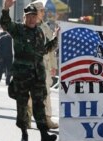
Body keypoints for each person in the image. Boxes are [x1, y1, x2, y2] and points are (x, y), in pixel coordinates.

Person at [0, 0, 60, 141]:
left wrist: (56, 38)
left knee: (39, 105)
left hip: (38, 76)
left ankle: (44, 134)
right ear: (25, 17)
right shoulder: (18, 29)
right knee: (22, 105)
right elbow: (5, 24)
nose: (32, 18)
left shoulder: (39, 32)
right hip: (22, 76)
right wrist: (5, 9)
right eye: (29, 16)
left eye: (34, 16)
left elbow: (44, 50)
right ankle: (24, 134)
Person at [27, 0, 58, 129]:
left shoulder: (45, 27)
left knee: (46, 92)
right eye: (41, 11)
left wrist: (53, 66)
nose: (43, 13)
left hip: (44, 66)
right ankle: (26, 118)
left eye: (43, 11)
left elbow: (51, 49)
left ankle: (47, 119)